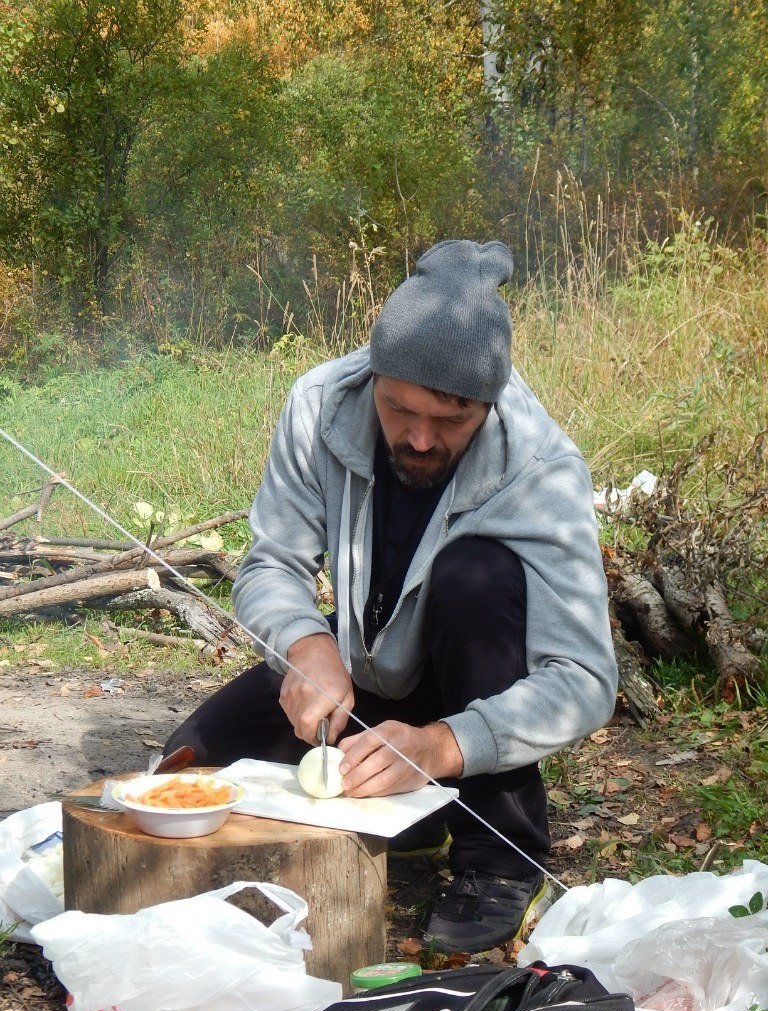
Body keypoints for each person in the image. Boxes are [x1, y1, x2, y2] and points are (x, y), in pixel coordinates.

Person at [164, 239, 618, 953]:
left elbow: (586, 680)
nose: (417, 437)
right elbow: (270, 564)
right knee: (189, 764)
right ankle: (411, 819)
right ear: (374, 374)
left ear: (490, 406)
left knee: (477, 575)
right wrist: (305, 644)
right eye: (399, 407)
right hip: (361, 669)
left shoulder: (541, 466)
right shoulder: (320, 405)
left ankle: (498, 854)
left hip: (468, 693)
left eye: (451, 420)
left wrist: (442, 744)